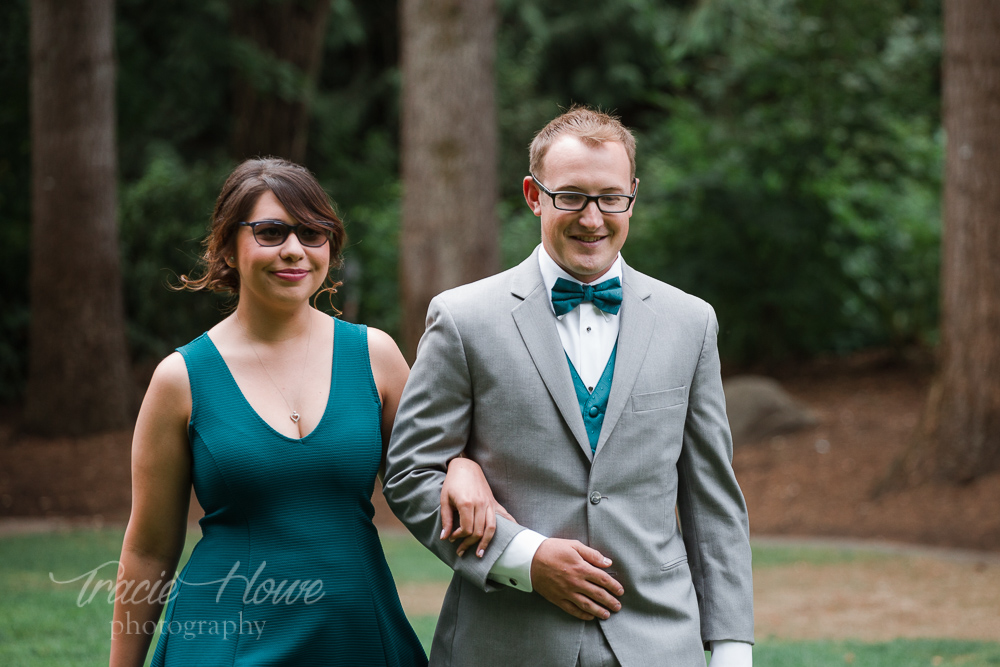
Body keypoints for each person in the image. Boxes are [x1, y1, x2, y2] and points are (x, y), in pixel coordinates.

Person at [383, 107, 754, 666]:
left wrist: (730, 651)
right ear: (534, 195)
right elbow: (411, 471)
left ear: (632, 194)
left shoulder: (691, 322)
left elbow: (712, 503)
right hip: (505, 642)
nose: (592, 218)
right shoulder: (464, 319)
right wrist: (523, 558)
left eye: (610, 197)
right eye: (571, 197)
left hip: (658, 643)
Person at [110, 158, 499, 666]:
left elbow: (429, 466)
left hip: (357, 635)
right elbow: (148, 550)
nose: (294, 250)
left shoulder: (375, 357)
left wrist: (464, 465)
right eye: (271, 232)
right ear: (229, 245)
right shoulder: (181, 379)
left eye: (312, 233)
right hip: (227, 643)